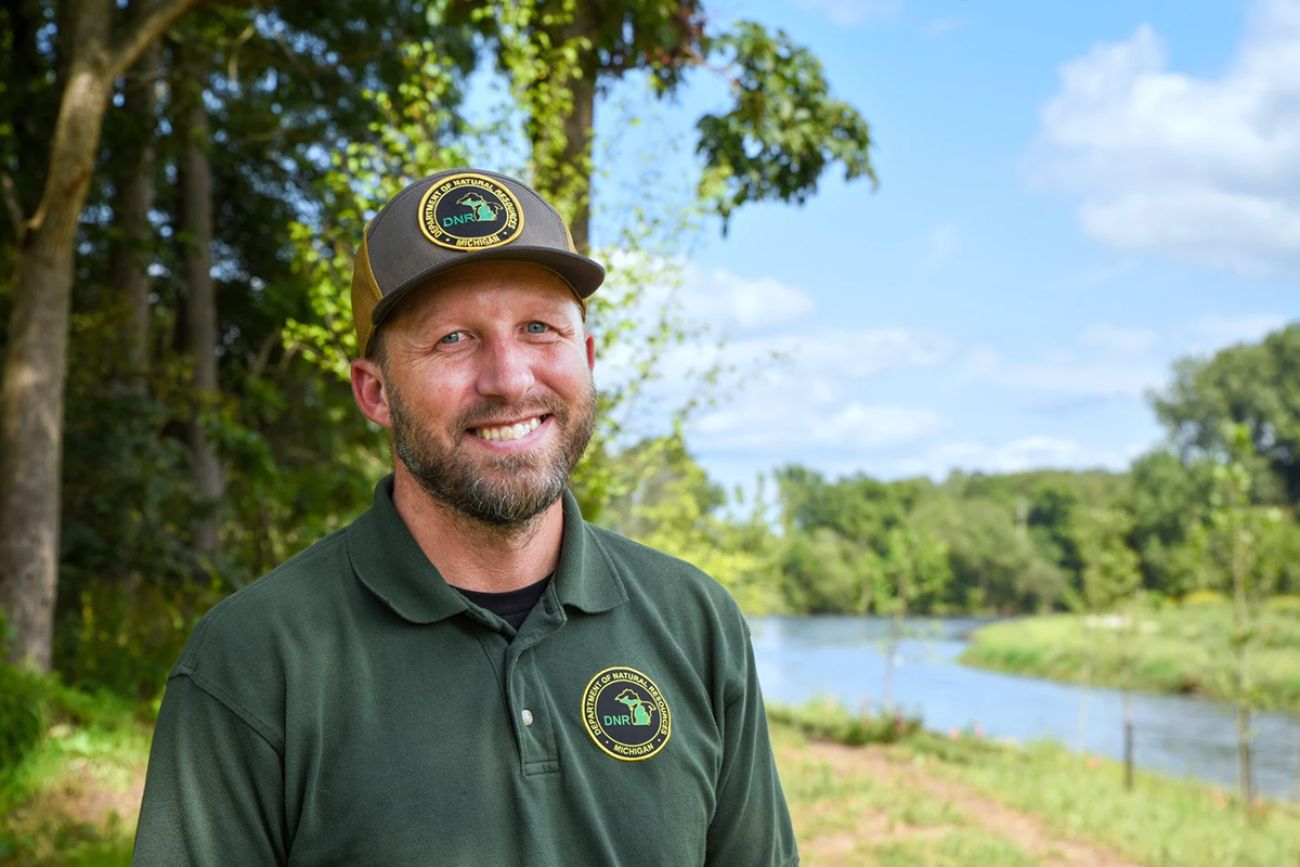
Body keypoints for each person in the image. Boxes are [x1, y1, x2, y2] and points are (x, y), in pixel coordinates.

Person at [133, 168, 798, 866]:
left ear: (588, 358)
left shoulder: (696, 622)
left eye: (540, 329)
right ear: (375, 392)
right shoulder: (255, 659)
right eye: (453, 338)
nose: (510, 378)